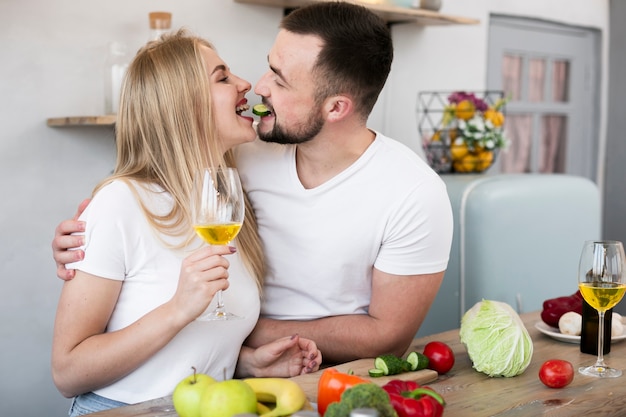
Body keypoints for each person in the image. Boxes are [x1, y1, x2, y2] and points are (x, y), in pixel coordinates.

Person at [52, 2, 453, 365]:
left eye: (279, 79)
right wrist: (87, 240)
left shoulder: (414, 192)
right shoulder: (241, 154)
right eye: (268, 66)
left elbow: (388, 337)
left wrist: (241, 328)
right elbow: (152, 188)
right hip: (234, 370)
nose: (258, 85)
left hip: (319, 374)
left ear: (335, 107)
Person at [51, 30, 321, 417]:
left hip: (209, 406)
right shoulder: (120, 203)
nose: (245, 84)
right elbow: (67, 372)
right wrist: (178, 309)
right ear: (183, 105)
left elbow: (183, 354)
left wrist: (248, 363)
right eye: (222, 77)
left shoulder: (225, 202)